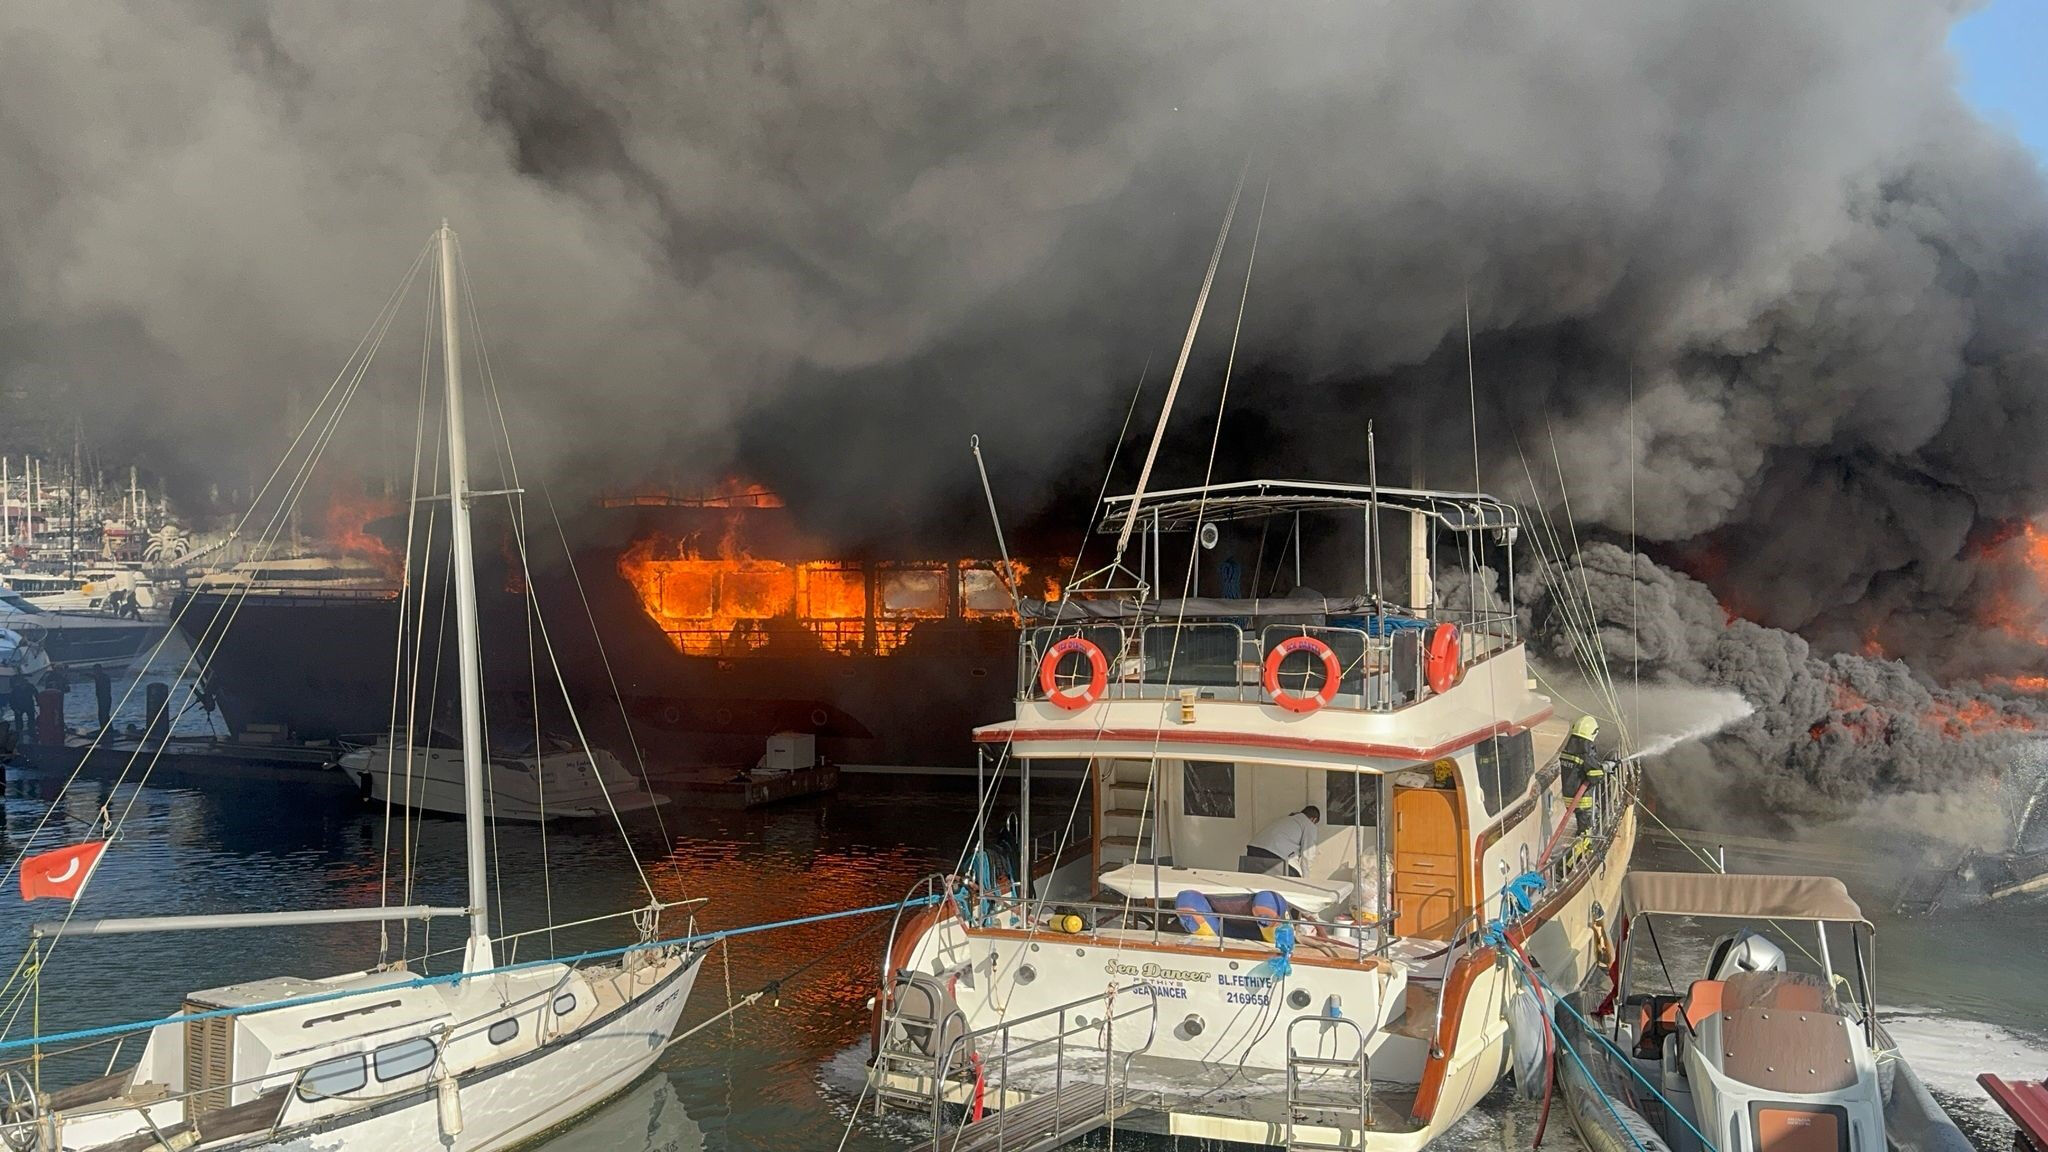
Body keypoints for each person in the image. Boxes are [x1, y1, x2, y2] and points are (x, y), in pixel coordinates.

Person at [1559, 714, 1606, 835]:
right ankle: (1584, 845)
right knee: (1586, 825)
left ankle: (1583, 841)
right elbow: (1595, 777)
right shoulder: (1585, 755)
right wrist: (1603, 769)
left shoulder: (1567, 751)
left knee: (1580, 820)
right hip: (1582, 799)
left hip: (1567, 795)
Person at [1246, 806, 1320, 877]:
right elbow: (1308, 854)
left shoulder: (1287, 819)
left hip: (1254, 848)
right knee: (1293, 880)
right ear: (1313, 819)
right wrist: (1305, 880)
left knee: (1257, 883)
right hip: (1274, 853)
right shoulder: (1309, 824)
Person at [9, 672, 34, 742]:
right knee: (18, 722)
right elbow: (11, 701)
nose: (24, 684)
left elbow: (36, 694)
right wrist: (15, 709)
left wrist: (40, 703)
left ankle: (32, 734)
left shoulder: (30, 686)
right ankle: (19, 736)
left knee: (31, 720)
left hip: (29, 706)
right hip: (18, 707)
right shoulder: (15, 690)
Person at [92, 666, 113, 733]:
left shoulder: (104, 677)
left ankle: (107, 729)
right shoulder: (98, 677)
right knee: (102, 714)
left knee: (104, 714)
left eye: (95, 670)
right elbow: (91, 676)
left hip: (105, 699)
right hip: (101, 699)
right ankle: (105, 729)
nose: (95, 672)